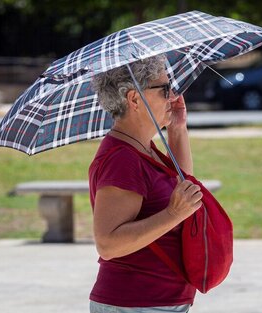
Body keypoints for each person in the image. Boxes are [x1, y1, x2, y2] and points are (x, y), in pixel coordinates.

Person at [88, 54, 203, 313]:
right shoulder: (122, 159)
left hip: (155, 302)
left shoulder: (143, 147)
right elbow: (108, 244)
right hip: (136, 303)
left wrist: (177, 129)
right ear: (134, 99)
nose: (173, 95)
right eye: (164, 89)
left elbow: (182, 187)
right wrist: (173, 214)